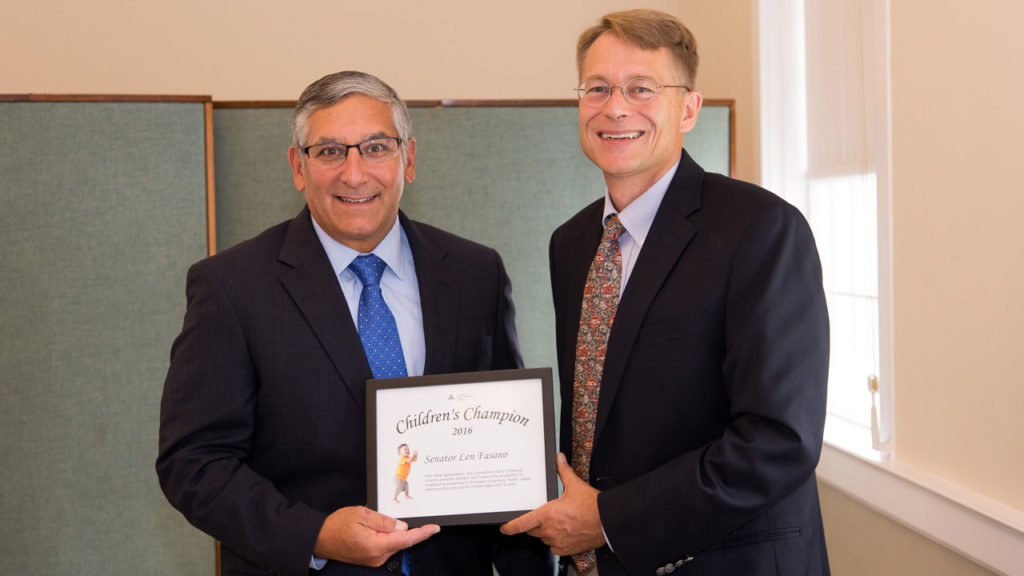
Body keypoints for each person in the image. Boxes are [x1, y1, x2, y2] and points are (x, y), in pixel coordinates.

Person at [157, 71, 554, 576]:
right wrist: (316, 536)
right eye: (328, 151)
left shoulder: (476, 273)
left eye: (375, 148)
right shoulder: (232, 287)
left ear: (408, 158)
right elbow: (194, 463)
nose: (353, 173)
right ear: (297, 167)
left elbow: (506, 456)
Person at [501, 9, 831, 576]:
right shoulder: (572, 243)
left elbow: (779, 441)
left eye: (641, 88)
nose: (615, 107)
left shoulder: (762, 229)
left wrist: (608, 519)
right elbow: (595, 415)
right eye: (597, 88)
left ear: (688, 108)